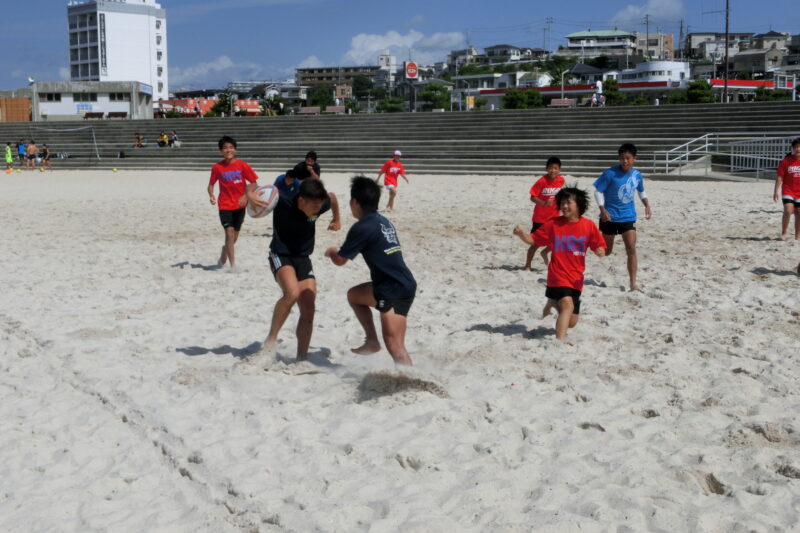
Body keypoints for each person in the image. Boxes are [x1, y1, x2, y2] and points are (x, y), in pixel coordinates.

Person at [244, 178, 340, 364]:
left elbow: (333, 198)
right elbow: (252, 184)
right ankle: (271, 340)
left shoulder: (321, 203)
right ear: (301, 200)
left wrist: (336, 219)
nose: (317, 210)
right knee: (292, 293)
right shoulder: (283, 201)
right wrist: (249, 195)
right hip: (281, 254)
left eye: (320, 206)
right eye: (314, 206)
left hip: (303, 258)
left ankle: (301, 358)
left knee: (309, 305)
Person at [325, 177, 417, 365]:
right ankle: (372, 341)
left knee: (395, 345)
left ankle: (410, 384)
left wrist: (332, 252)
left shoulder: (362, 227)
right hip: (398, 282)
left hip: (393, 289)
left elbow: (341, 260)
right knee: (354, 295)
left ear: (354, 202)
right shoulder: (383, 221)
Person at [513, 186, 606, 340]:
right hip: (557, 275)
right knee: (568, 306)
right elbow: (533, 240)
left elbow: (599, 245)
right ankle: (559, 343)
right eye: (562, 203)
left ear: (579, 205)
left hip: (576, 278)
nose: (564, 206)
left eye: (569, 203)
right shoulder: (553, 223)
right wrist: (522, 234)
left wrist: (600, 250)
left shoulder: (588, 225)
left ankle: (553, 303)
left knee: (572, 321)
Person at [593, 143, 651, 292]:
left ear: (634, 159)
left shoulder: (637, 175)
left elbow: (641, 191)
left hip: (628, 217)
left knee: (631, 248)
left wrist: (647, 205)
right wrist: (602, 209)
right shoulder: (609, 173)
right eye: (622, 158)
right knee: (606, 251)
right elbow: (598, 192)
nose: (624, 161)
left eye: (627, 158)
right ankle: (586, 245)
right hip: (609, 217)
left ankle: (633, 284)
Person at [207, 136, 259, 271]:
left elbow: (254, 183)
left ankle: (224, 251)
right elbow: (211, 185)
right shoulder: (217, 167)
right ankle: (233, 265)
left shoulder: (243, 165)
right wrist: (211, 195)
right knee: (229, 234)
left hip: (240, 205)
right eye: (225, 148)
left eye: (230, 147)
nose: (228, 150)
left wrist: (246, 195)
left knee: (234, 238)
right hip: (224, 205)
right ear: (221, 151)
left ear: (235, 149)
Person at [522, 156, 565, 271]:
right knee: (535, 243)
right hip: (540, 218)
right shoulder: (541, 181)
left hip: (554, 217)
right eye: (550, 168)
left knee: (557, 240)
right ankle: (527, 265)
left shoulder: (561, 180)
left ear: (559, 170)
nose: (553, 170)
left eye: (555, 168)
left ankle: (545, 252)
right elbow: (532, 197)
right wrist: (544, 203)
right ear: (546, 169)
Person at [773, 137, 800, 240]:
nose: (798, 149)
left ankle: (798, 235)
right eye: (796, 147)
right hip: (788, 190)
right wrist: (776, 191)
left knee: (799, 212)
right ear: (793, 148)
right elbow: (780, 177)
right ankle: (784, 232)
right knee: (788, 210)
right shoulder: (786, 161)